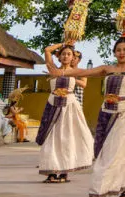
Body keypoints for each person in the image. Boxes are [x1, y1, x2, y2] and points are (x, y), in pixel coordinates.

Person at [67, 32, 125, 197]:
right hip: (106, 112)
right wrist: (60, 72)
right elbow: (84, 71)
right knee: (106, 152)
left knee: (113, 152)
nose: (121, 52)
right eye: (118, 50)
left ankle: (97, 193)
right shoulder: (107, 69)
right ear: (114, 52)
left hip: (124, 114)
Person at [36, 43, 95, 184]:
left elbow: (86, 81)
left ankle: (64, 172)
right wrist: (64, 44)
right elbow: (47, 50)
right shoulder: (52, 69)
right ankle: (51, 171)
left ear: (73, 57)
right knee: (51, 138)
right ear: (59, 56)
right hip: (52, 104)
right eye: (63, 54)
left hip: (69, 107)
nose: (65, 56)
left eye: (69, 54)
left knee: (67, 138)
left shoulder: (76, 72)